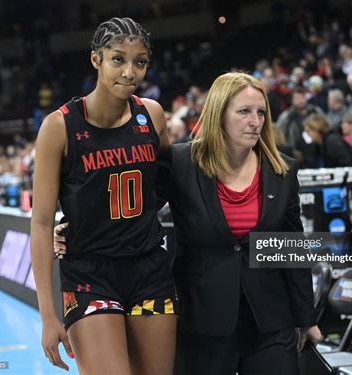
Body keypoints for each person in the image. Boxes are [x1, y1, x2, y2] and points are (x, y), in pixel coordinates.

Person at [56, 72, 322, 374]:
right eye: (244, 111)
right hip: (203, 321)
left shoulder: (282, 170)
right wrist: (74, 228)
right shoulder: (182, 163)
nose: (255, 121)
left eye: (261, 112)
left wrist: (307, 318)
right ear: (220, 114)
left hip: (271, 321)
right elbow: (133, 210)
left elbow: (292, 249)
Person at [31, 17, 178, 375]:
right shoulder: (59, 126)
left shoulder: (152, 116)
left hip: (149, 271)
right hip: (89, 276)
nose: (130, 72)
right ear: (96, 59)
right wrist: (48, 317)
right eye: (118, 59)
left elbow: (165, 184)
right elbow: (40, 222)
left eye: (140, 62)